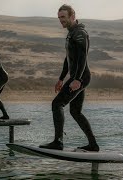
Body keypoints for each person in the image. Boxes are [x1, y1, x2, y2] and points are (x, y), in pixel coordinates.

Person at [39, 4, 99, 151]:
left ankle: (58, 142)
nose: (61, 20)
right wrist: (61, 78)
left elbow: (82, 58)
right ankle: (93, 145)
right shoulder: (71, 33)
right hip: (77, 77)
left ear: (72, 16)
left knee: (57, 104)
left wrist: (77, 79)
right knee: (75, 112)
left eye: (63, 17)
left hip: (81, 77)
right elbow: (68, 59)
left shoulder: (80, 33)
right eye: (59, 18)